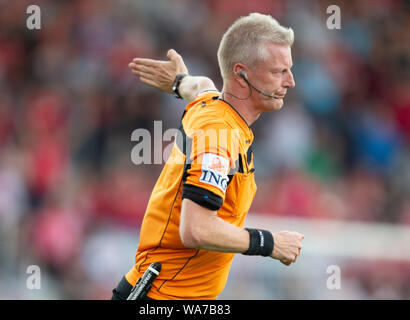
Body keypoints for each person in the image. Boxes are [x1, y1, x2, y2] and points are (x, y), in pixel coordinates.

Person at [112, 12, 304, 300]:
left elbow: (200, 86)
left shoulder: (214, 104)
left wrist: (179, 82)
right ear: (241, 73)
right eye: (279, 72)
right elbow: (196, 229)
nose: (290, 81)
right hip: (161, 297)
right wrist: (270, 243)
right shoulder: (219, 135)